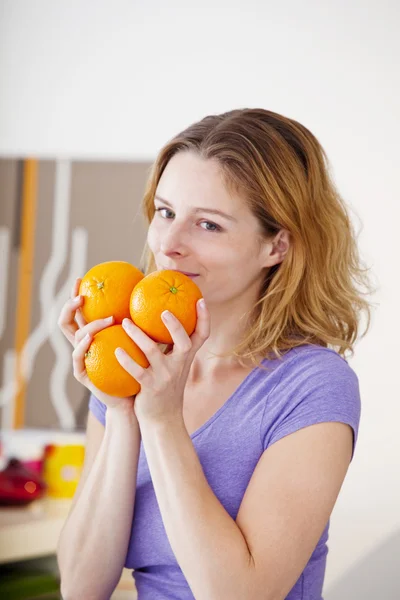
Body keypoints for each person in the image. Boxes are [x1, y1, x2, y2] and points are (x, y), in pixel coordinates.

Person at [56, 108, 374, 600]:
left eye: (208, 225)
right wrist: (122, 411)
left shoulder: (312, 385)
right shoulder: (133, 360)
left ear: (278, 246)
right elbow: (80, 586)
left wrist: (161, 423)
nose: (169, 245)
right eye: (165, 212)